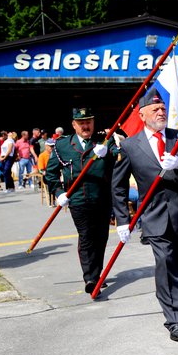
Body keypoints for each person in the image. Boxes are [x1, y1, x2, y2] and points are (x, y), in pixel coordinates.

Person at [112, 90, 178, 342]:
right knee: (166, 262)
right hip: (153, 217)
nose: (161, 112)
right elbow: (118, 185)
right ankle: (175, 319)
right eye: (155, 110)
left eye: (163, 108)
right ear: (142, 115)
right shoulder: (131, 145)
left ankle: (170, 290)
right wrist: (122, 220)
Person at [45, 108, 118, 295]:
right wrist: (59, 192)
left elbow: (119, 161)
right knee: (86, 236)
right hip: (78, 198)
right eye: (81, 123)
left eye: (89, 122)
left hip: (102, 198)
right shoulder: (63, 145)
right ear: (74, 125)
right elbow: (51, 173)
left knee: (101, 237)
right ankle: (90, 278)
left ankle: (97, 273)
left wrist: (108, 154)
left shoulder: (103, 140)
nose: (86, 126)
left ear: (93, 123)